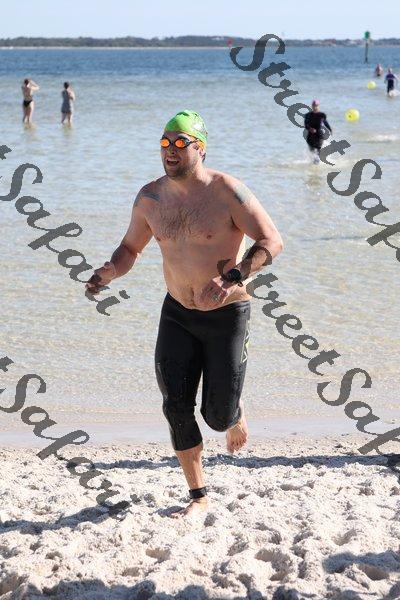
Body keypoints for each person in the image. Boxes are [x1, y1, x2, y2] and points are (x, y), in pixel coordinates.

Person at [86, 110, 283, 518]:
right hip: (177, 312)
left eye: (180, 143)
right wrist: (110, 271)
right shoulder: (150, 198)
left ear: (201, 148)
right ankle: (198, 496)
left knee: (218, 416)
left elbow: (271, 240)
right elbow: (130, 249)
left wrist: (233, 276)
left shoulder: (227, 191)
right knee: (175, 405)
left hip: (227, 313)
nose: (170, 150)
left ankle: (234, 411)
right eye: (165, 142)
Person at [304, 99, 332, 164]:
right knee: (312, 151)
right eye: (314, 105)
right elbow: (306, 125)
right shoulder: (308, 115)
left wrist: (330, 131)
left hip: (319, 136)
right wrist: (310, 129)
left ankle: (317, 164)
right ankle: (314, 164)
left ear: (318, 106)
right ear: (312, 106)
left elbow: (326, 123)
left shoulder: (322, 115)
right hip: (310, 137)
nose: (315, 107)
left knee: (318, 152)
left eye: (316, 105)